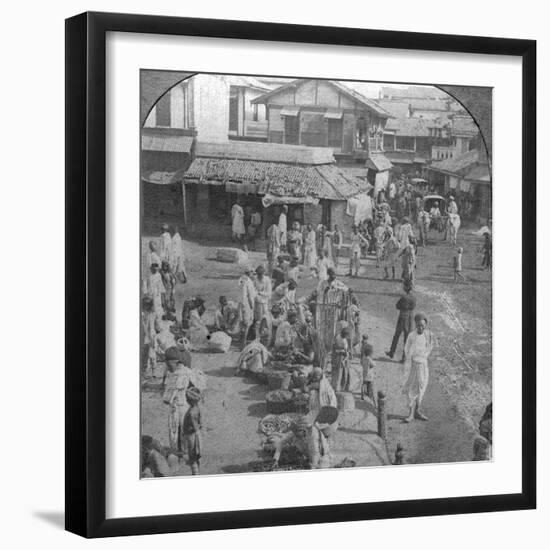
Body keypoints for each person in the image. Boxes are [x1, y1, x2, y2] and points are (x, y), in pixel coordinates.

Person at [403, 313, 434, 423]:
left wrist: (424, 356)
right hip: (413, 366)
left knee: (421, 388)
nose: (420, 327)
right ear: (415, 325)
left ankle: (417, 411)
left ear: (426, 324)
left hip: (423, 366)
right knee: (412, 389)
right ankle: (410, 414)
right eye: (418, 325)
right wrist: (412, 358)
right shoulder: (411, 335)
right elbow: (406, 349)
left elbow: (430, 346)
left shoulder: (428, 335)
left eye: (422, 325)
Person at [163, 346, 191, 452]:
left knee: (181, 428)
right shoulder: (171, 373)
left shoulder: (185, 373)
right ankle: (177, 450)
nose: (168, 366)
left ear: (176, 362)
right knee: (175, 429)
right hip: (175, 406)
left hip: (183, 405)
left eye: (169, 364)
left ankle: (183, 451)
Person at [386, 279, 416, 362]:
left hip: (402, 317)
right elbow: (413, 306)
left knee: (396, 335)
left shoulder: (404, 298)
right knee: (407, 338)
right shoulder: (413, 297)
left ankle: (392, 352)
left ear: (405, 287)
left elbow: (397, 306)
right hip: (410, 318)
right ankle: (404, 357)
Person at [182, 386, 202, 475]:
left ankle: (195, 474)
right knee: (195, 454)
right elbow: (200, 422)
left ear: (190, 400)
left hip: (191, 435)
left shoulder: (191, 413)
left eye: (187, 399)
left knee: (192, 456)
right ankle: (196, 469)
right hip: (195, 434)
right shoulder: (197, 408)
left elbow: (195, 427)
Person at [253, 265, 272, 346]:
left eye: (261, 274)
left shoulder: (267, 280)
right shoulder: (255, 279)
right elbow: (253, 291)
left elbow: (269, 293)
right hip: (257, 302)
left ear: (263, 273)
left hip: (264, 303)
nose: (259, 275)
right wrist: (256, 294)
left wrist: (260, 293)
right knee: (257, 321)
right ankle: (257, 337)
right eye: (258, 274)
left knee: (265, 320)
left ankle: (265, 337)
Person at [141, 296, 160, 378]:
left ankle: (152, 371)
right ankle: (147, 371)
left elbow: (156, 325)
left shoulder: (151, 313)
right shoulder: (143, 313)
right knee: (146, 354)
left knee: (150, 354)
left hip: (149, 336)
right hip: (146, 336)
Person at [238, 267, 256, 349]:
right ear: (249, 273)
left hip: (240, 303)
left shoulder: (241, 280)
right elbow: (249, 296)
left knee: (242, 324)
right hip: (247, 304)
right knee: (247, 325)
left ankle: (241, 342)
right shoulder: (248, 281)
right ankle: (243, 344)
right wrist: (252, 306)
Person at [331, 326, 351, 392]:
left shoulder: (337, 336)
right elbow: (346, 353)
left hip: (336, 356)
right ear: (345, 335)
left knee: (336, 372)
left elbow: (334, 346)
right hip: (341, 358)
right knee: (343, 373)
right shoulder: (344, 341)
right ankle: (342, 387)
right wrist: (344, 359)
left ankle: (335, 386)